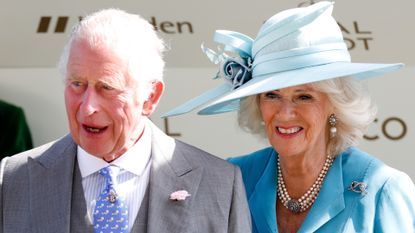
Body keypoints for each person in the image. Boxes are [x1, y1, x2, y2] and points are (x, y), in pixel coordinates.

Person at [163, 2, 415, 232]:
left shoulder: (383, 189)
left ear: (335, 105)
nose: (284, 113)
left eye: (304, 96)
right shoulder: (234, 177)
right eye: (271, 95)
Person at [0, 9, 252, 233]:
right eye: (77, 84)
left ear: (150, 97)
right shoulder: (12, 179)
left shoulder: (219, 184)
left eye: (107, 87)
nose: (87, 107)